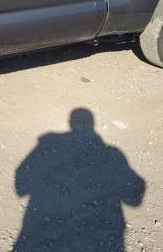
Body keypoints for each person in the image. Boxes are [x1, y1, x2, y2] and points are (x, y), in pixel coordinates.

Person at [14, 108, 145, 252]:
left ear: (71, 123)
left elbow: (20, 186)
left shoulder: (49, 143)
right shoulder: (112, 154)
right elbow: (134, 199)